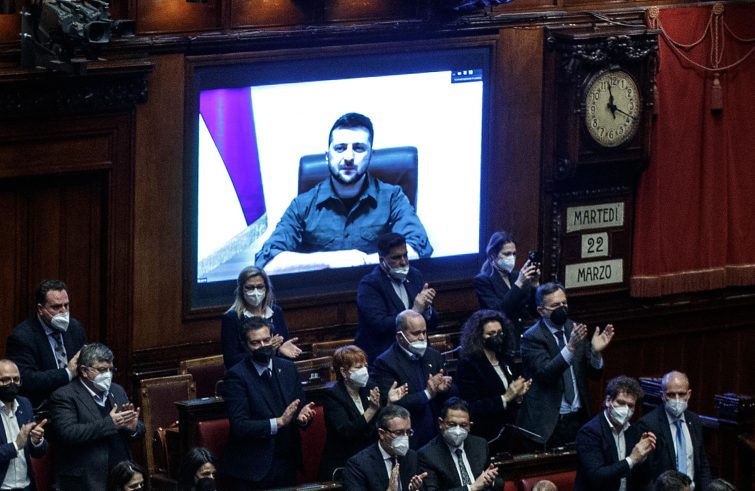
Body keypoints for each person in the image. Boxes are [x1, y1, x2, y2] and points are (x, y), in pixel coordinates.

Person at [255, 112, 432, 273]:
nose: (348, 157)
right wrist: (332, 260)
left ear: (371, 154)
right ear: (327, 155)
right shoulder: (302, 205)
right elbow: (267, 264)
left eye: (359, 148)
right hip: (323, 297)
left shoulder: (393, 197)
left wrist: (363, 260)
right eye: (340, 148)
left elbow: (418, 249)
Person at [517, 282, 614, 449]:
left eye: (564, 303)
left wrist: (596, 353)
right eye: (555, 305)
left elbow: (594, 375)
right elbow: (546, 374)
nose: (562, 308)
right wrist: (569, 348)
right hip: (549, 423)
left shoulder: (574, 329)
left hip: (579, 418)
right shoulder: (532, 338)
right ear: (541, 311)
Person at [222, 317, 316, 489]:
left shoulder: (287, 368)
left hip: (287, 461)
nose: (263, 346)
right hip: (254, 468)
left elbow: (299, 408)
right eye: (256, 343)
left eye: (267, 340)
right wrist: (278, 422)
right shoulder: (236, 376)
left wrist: (302, 418)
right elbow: (240, 425)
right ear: (245, 345)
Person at [49, 342, 144, 490]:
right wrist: (109, 424)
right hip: (87, 480)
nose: (108, 374)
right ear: (84, 371)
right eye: (101, 370)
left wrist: (133, 428)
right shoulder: (65, 396)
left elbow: (139, 428)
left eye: (110, 369)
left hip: (122, 477)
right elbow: (68, 433)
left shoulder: (117, 390)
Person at [318, 345, 409, 481]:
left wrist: (389, 402)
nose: (364, 370)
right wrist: (371, 410)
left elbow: (379, 428)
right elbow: (347, 432)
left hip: (371, 459)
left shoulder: (369, 387)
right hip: (344, 462)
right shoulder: (332, 395)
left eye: (365, 365)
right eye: (358, 367)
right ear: (344, 372)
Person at [372, 310, 453, 449]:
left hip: (439, 437)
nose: (422, 338)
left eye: (424, 332)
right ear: (400, 336)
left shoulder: (433, 355)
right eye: (416, 333)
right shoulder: (385, 363)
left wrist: (444, 388)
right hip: (410, 439)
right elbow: (392, 406)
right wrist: (427, 393)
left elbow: (450, 394)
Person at [455, 310, 531, 451]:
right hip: (486, 435)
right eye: (490, 334)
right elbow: (471, 407)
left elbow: (512, 400)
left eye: (499, 333)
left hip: (509, 432)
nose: (496, 337)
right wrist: (505, 397)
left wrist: (518, 397)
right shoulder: (469, 365)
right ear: (479, 337)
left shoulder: (505, 359)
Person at [356, 232, 438, 362]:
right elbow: (379, 325)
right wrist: (415, 311)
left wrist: (427, 308)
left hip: (419, 355)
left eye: (405, 255)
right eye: (396, 258)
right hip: (386, 358)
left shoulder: (415, 276)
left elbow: (435, 322)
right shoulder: (369, 285)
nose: (403, 262)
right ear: (382, 260)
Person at [5, 279, 87, 409]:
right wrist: (67, 373)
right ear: (40, 309)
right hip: (45, 406)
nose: (64, 311)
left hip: (77, 403)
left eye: (66, 305)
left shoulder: (75, 328)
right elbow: (26, 380)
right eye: (56, 307)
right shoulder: (22, 337)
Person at [574, 376, 656, 491]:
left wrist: (642, 456)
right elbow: (597, 476)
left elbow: (643, 479)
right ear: (608, 401)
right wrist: (632, 459)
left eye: (630, 405)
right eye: (621, 403)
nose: (626, 409)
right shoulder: (589, 432)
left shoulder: (634, 431)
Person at [636, 371, 713, 490]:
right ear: (662, 395)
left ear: (689, 394)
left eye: (681, 394)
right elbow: (646, 475)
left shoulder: (695, 421)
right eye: (671, 395)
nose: (677, 399)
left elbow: (702, 464)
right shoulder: (649, 424)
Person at [221, 266, 301, 370]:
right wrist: (267, 349)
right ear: (241, 290)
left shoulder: (276, 312)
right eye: (249, 287)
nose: (255, 292)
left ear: (266, 288)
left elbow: (281, 349)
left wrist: (281, 350)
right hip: (248, 378)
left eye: (259, 287)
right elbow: (231, 361)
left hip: (276, 372)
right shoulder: (232, 318)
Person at [418, 397, 500, 491]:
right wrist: (471, 488)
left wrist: (490, 480)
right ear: (441, 423)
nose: (457, 431)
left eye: (463, 425)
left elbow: (492, 479)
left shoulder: (480, 445)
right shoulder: (427, 455)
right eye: (452, 424)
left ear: (470, 426)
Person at [343, 404, 427, 491]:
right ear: (382, 433)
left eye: (408, 432)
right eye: (399, 433)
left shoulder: (411, 457)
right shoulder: (359, 465)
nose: (405, 437)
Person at [474, 232, 540, 339]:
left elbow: (533, 310)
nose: (512, 258)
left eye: (514, 254)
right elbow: (498, 311)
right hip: (502, 338)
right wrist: (519, 284)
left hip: (523, 335)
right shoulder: (483, 280)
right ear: (493, 255)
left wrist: (534, 286)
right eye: (507, 254)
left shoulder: (516, 276)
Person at [0, 359, 47, 490]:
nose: (12, 384)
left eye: (16, 379)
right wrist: (16, 446)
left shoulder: (25, 404)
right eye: (5, 380)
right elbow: (19, 444)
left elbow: (38, 453)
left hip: (26, 486)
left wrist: (36, 441)